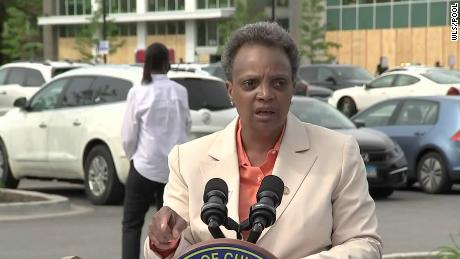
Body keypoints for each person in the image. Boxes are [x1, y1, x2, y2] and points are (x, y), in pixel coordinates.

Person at [144, 22, 383, 259]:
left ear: (293, 89)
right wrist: (163, 241)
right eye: (250, 83)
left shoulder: (338, 153)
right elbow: (171, 251)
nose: (265, 94)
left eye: (278, 83)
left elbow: (363, 243)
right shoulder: (187, 159)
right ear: (230, 91)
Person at [121, 42, 191, 259]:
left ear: (147, 63)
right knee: (169, 230)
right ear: (166, 62)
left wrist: (132, 156)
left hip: (144, 165)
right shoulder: (180, 91)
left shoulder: (138, 91)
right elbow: (186, 125)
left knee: (132, 225)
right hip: (172, 170)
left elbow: (129, 134)